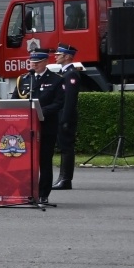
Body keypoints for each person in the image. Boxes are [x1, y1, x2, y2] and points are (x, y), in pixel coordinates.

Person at [15, 49, 64, 205]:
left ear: (46, 62)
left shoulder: (56, 80)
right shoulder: (24, 79)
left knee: (44, 160)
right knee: (24, 161)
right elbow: (14, 101)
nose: (34, 65)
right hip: (25, 127)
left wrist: (39, 112)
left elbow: (58, 103)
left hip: (46, 126)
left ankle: (43, 193)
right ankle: (26, 192)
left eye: (37, 63)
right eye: (32, 62)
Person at [54, 44, 82, 191]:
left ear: (67, 57)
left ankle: (65, 179)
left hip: (66, 117)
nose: (55, 56)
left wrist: (64, 119)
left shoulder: (71, 74)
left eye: (59, 54)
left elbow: (70, 100)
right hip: (61, 115)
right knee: (63, 148)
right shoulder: (64, 73)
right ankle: (62, 178)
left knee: (66, 148)